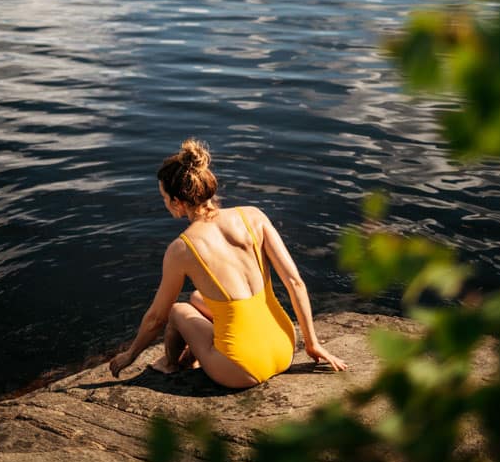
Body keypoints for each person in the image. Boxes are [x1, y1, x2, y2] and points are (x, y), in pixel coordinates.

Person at [109, 139, 346, 388]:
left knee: (178, 311)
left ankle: (170, 364)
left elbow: (157, 317)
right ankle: (198, 353)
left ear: (178, 202)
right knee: (198, 299)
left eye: (164, 197)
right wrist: (312, 343)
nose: (165, 203)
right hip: (284, 347)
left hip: (242, 368)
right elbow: (295, 282)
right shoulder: (254, 216)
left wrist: (130, 355)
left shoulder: (181, 249)